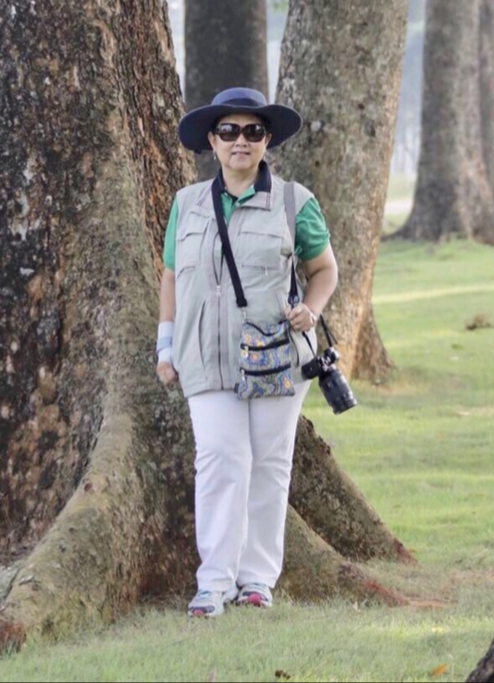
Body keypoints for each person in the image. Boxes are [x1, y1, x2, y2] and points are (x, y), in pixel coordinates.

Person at [156, 87, 339, 617]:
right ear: (212, 141)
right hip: (204, 357)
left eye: (253, 131)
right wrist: (165, 342)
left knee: (269, 464)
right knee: (218, 460)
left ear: (267, 141)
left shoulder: (294, 202)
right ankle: (213, 581)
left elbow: (325, 269)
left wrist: (311, 306)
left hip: (276, 356)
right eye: (230, 131)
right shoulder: (186, 205)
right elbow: (171, 275)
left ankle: (257, 579)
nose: (241, 141)